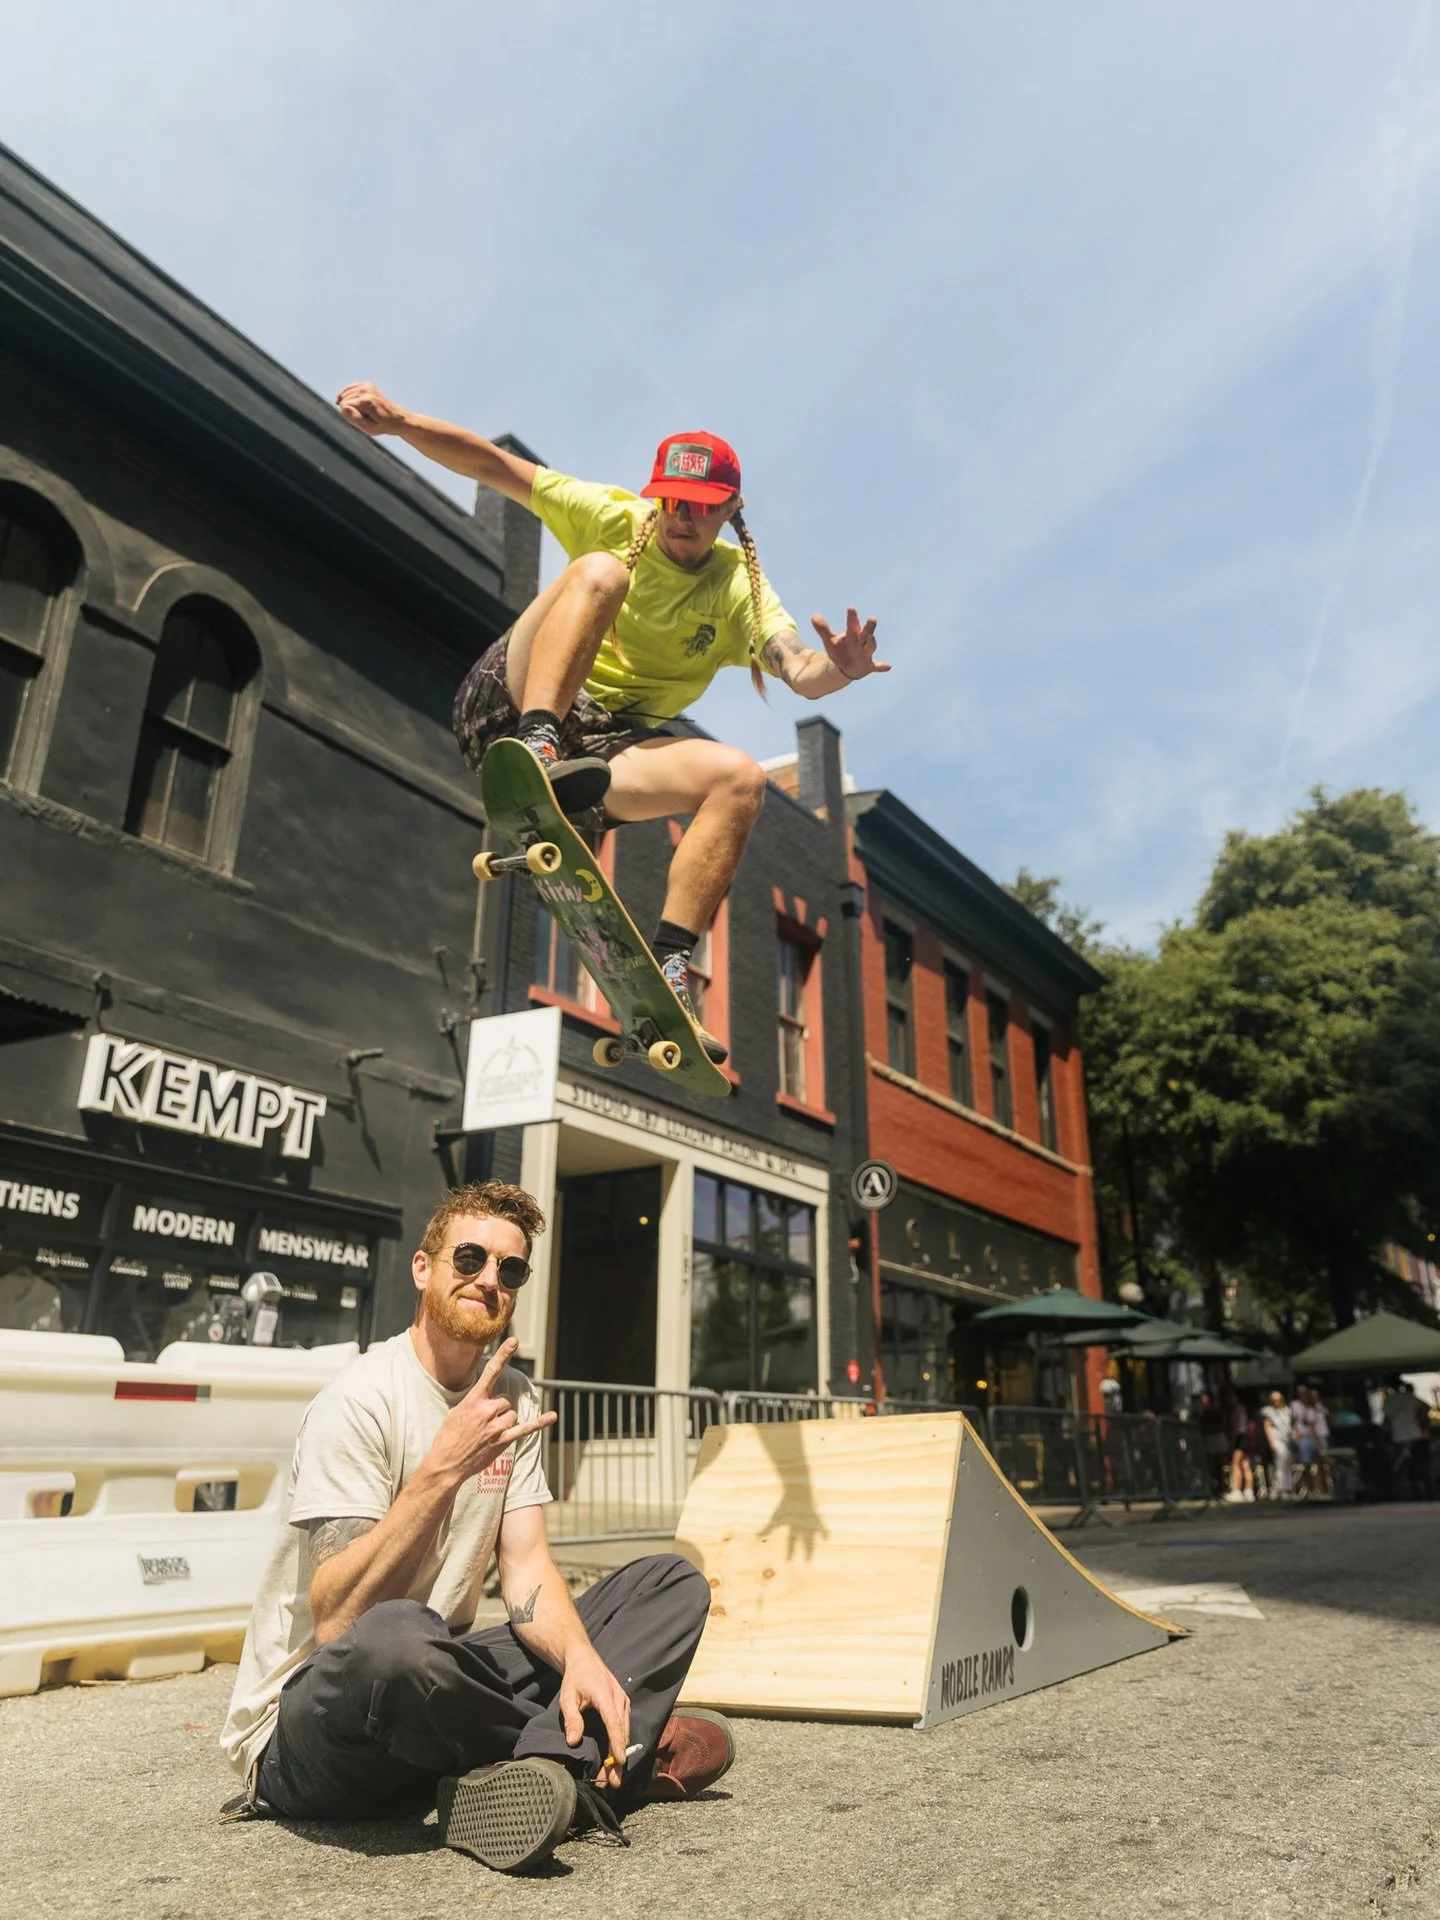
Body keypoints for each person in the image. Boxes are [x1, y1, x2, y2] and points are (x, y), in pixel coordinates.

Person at [334, 384, 888, 1062]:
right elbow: (492, 466)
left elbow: (797, 667)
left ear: (731, 509)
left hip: (598, 755)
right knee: (600, 572)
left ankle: (670, 967)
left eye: (702, 508)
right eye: (674, 502)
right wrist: (401, 422)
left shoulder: (738, 590)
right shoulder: (613, 515)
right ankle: (538, 741)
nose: (683, 519)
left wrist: (841, 671)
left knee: (741, 779)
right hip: (508, 700)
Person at [219, 1180, 729, 1873]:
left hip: (437, 1692)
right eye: (469, 1258)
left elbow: (526, 1574)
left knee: (670, 1583)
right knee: (398, 1638)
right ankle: (604, 1759)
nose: (489, 1279)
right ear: (422, 1268)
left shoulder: (513, 1396)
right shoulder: (360, 1398)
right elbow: (340, 1622)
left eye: (510, 1269)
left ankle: (546, 1773)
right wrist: (441, 1471)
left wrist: (581, 1659)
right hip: (313, 1727)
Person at [1383, 1377, 1433, 1499]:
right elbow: (1426, 1407)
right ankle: (1426, 1489)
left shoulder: (1389, 1400)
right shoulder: (1410, 1397)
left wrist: (1384, 1432)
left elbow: (1387, 1419)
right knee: (1420, 1463)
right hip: (1415, 1434)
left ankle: (1406, 1490)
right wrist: (1421, 1419)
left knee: (1401, 1465)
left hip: (1399, 1437)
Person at [1262, 1390, 1294, 1500]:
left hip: (1287, 1441)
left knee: (1288, 1465)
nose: (1276, 1402)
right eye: (1274, 1400)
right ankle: (1280, 1489)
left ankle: (1288, 1488)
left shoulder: (1287, 1410)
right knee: (1280, 1465)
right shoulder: (1268, 1411)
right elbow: (1267, 1427)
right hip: (1277, 1440)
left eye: (1278, 1399)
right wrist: (1272, 1442)